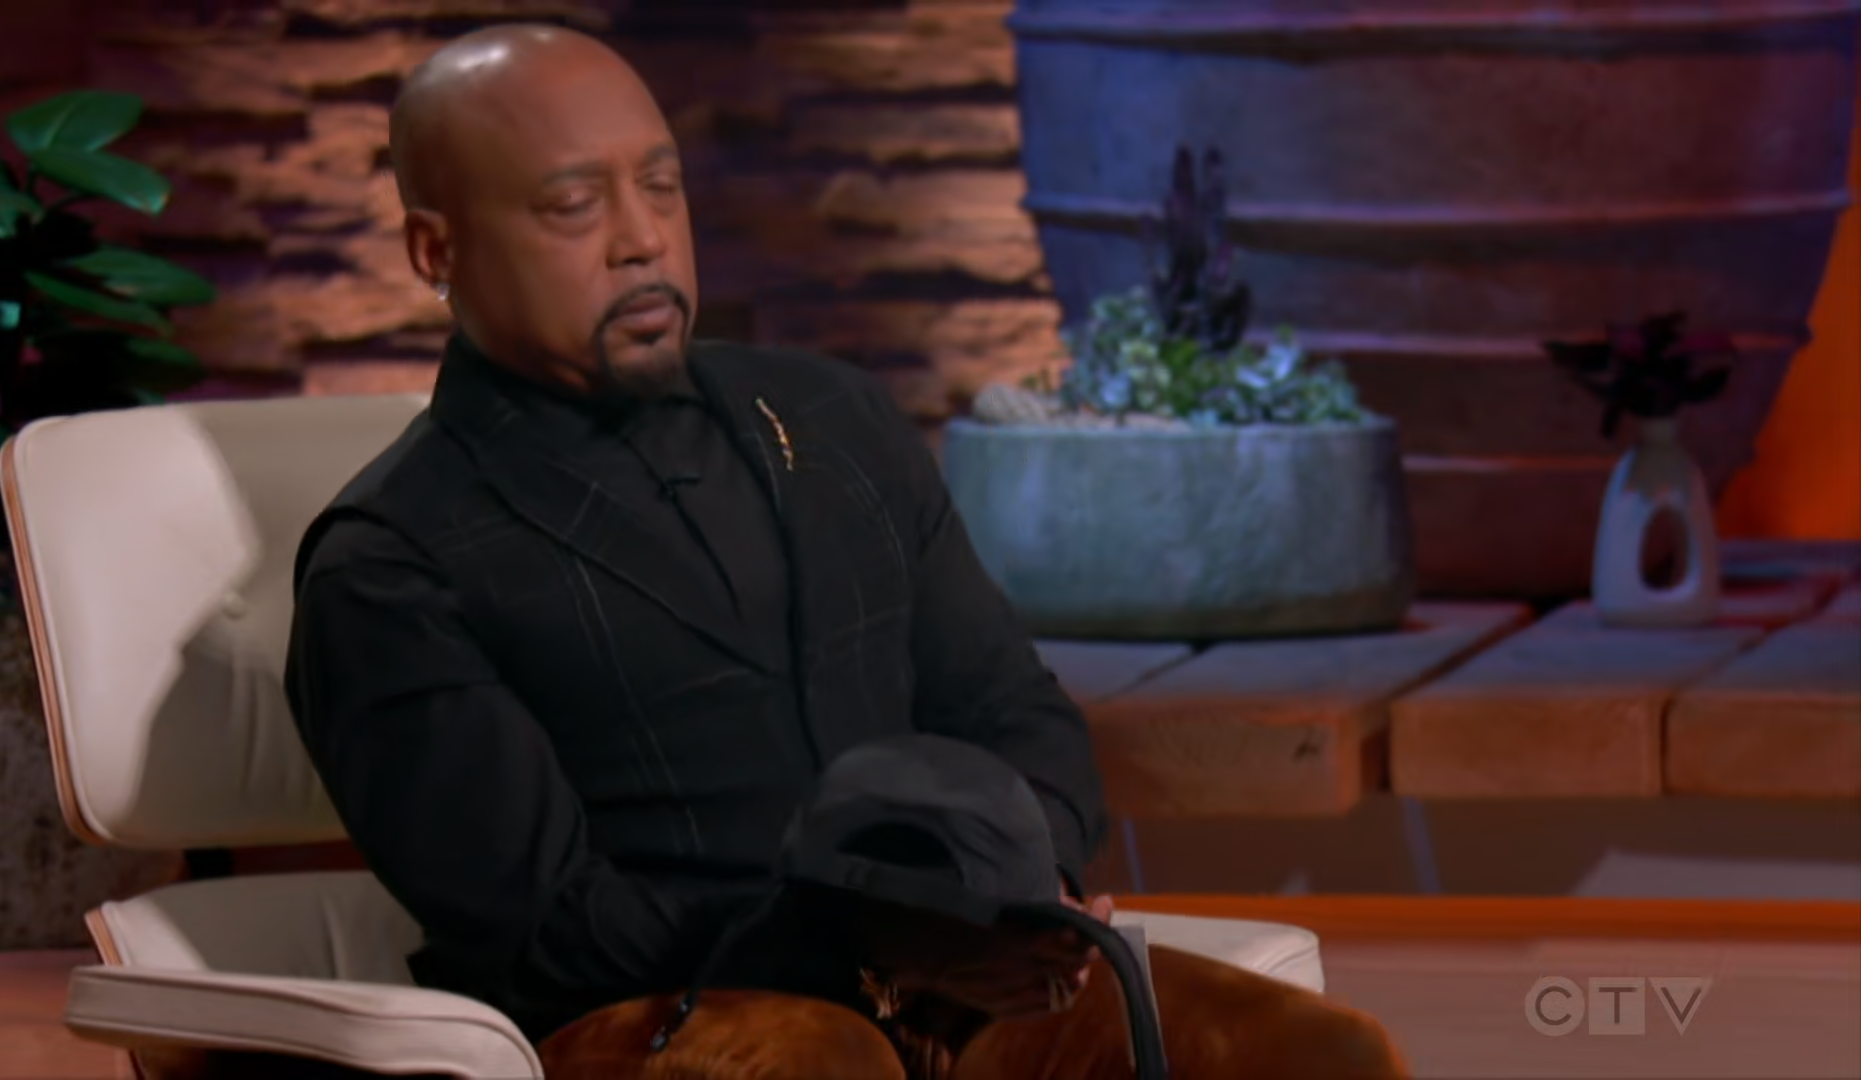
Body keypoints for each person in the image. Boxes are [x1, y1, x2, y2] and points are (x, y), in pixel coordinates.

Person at [284, 22, 1407, 1080]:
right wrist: (876, 946)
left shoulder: (831, 422)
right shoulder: (389, 563)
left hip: (952, 976)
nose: (643, 238)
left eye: (662, 186)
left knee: (1314, 1054)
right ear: (436, 249)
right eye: (575, 205)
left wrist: (1027, 897)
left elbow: (1015, 713)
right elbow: (552, 928)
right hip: (656, 1014)